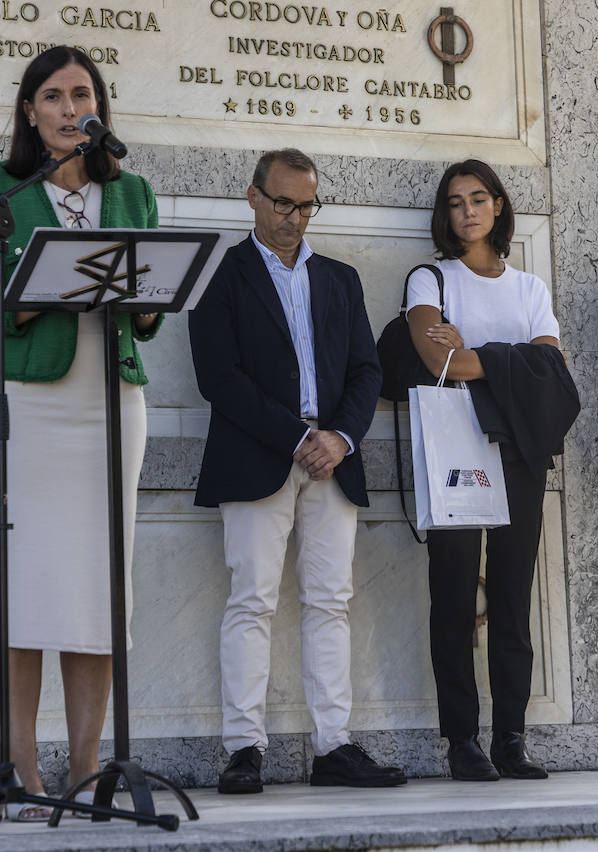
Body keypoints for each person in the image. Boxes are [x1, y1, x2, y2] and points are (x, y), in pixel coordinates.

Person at [0, 46, 162, 821]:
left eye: (83, 93)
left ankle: (84, 771)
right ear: (31, 114)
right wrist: (44, 287)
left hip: (110, 406)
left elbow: (148, 309)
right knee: (23, 590)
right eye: (54, 96)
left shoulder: (132, 189)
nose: (71, 106)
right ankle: (21, 769)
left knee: (97, 593)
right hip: (26, 408)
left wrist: (148, 298)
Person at [189, 148, 405, 793]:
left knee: (330, 602)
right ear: (252, 196)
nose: (294, 217)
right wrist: (295, 436)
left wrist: (338, 437)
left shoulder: (339, 278)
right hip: (258, 456)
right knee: (251, 599)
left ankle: (334, 747)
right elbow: (218, 378)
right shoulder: (218, 275)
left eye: (306, 204)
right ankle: (244, 749)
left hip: (333, 461)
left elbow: (367, 370)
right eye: (282, 202)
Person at [404, 159, 569, 781]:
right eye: (455, 202)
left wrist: (480, 354)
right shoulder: (431, 279)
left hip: (519, 454)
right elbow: (436, 357)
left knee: (511, 598)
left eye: (478, 198)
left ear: (499, 206)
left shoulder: (529, 289)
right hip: (454, 451)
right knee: (450, 596)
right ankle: (462, 742)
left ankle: (511, 739)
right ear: (445, 214)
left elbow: (549, 367)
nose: (467, 210)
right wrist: (512, 361)